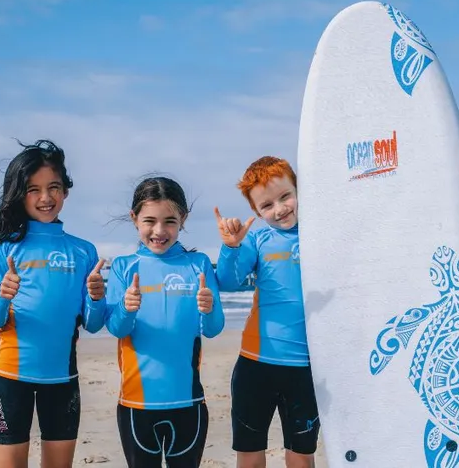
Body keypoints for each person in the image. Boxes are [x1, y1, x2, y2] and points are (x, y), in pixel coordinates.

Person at [0, 139, 106, 468]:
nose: (45, 197)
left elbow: (92, 323)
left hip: (62, 380)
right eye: (33, 189)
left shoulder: (83, 251)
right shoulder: (4, 248)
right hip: (10, 378)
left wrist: (96, 297)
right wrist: (2, 295)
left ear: (65, 190)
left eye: (54, 187)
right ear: (19, 193)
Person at [104, 176, 225, 468]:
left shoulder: (198, 265)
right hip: (136, 405)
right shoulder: (123, 267)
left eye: (170, 221)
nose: (159, 231)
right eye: (150, 221)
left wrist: (208, 309)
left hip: (189, 404)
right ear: (134, 219)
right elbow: (117, 328)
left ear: (183, 219)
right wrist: (126, 307)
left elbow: (213, 329)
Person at [214, 156, 319, 468]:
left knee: (301, 454)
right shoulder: (257, 239)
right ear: (256, 212)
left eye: (286, 196)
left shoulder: (320, 235)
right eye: (267, 206)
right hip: (255, 364)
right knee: (249, 452)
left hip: (306, 367)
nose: (280, 209)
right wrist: (231, 247)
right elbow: (229, 281)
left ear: (299, 189)